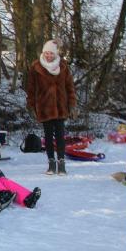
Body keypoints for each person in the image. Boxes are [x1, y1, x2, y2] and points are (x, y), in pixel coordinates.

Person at [26, 39, 77, 175]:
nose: (49, 56)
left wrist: (72, 104)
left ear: (55, 54)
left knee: (60, 136)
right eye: (47, 53)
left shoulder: (63, 66)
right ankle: (51, 163)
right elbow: (31, 88)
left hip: (61, 106)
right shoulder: (36, 67)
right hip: (44, 106)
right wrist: (31, 105)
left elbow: (70, 87)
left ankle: (61, 163)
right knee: (48, 137)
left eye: (51, 54)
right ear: (43, 53)